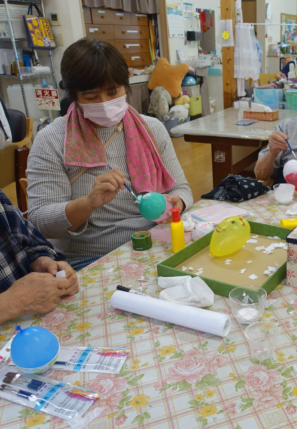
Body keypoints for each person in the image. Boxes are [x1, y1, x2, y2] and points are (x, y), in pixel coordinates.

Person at [27, 39, 193, 270]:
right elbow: (41, 222)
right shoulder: (52, 140)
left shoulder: (151, 129)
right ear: (73, 96)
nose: (104, 103)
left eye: (112, 92)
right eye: (91, 97)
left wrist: (177, 203)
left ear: (126, 86)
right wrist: (88, 203)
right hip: (92, 258)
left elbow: (182, 189)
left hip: (157, 244)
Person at [0, 188, 79, 324]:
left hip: (34, 319)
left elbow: (30, 244)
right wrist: (11, 302)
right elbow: (43, 220)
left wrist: (42, 261)